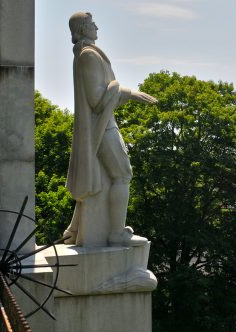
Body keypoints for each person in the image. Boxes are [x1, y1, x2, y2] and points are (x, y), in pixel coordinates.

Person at [64, 12, 156, 246]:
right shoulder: (88, 56)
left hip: (104, 124)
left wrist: (123, 91)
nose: (97, 27)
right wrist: (125, 92)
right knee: (122, 174)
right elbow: (96, 100)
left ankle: (75, 230)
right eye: (92, 24)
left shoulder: (88, 55)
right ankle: (115, 232)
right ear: (83, 28)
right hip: (102, 127)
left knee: (102, 177)